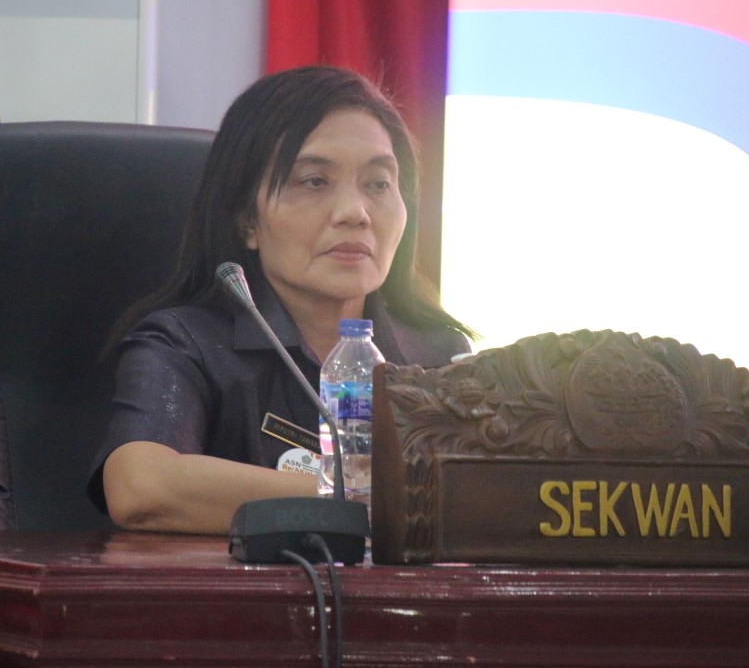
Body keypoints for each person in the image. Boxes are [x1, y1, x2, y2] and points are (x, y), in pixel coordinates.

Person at [88, 65, 474, 535]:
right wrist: (367, 502)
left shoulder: (439, 358)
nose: (355, 213)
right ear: (247, 220)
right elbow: (141, 487)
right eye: (314, 181)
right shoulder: (186, 344)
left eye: (378, 184)